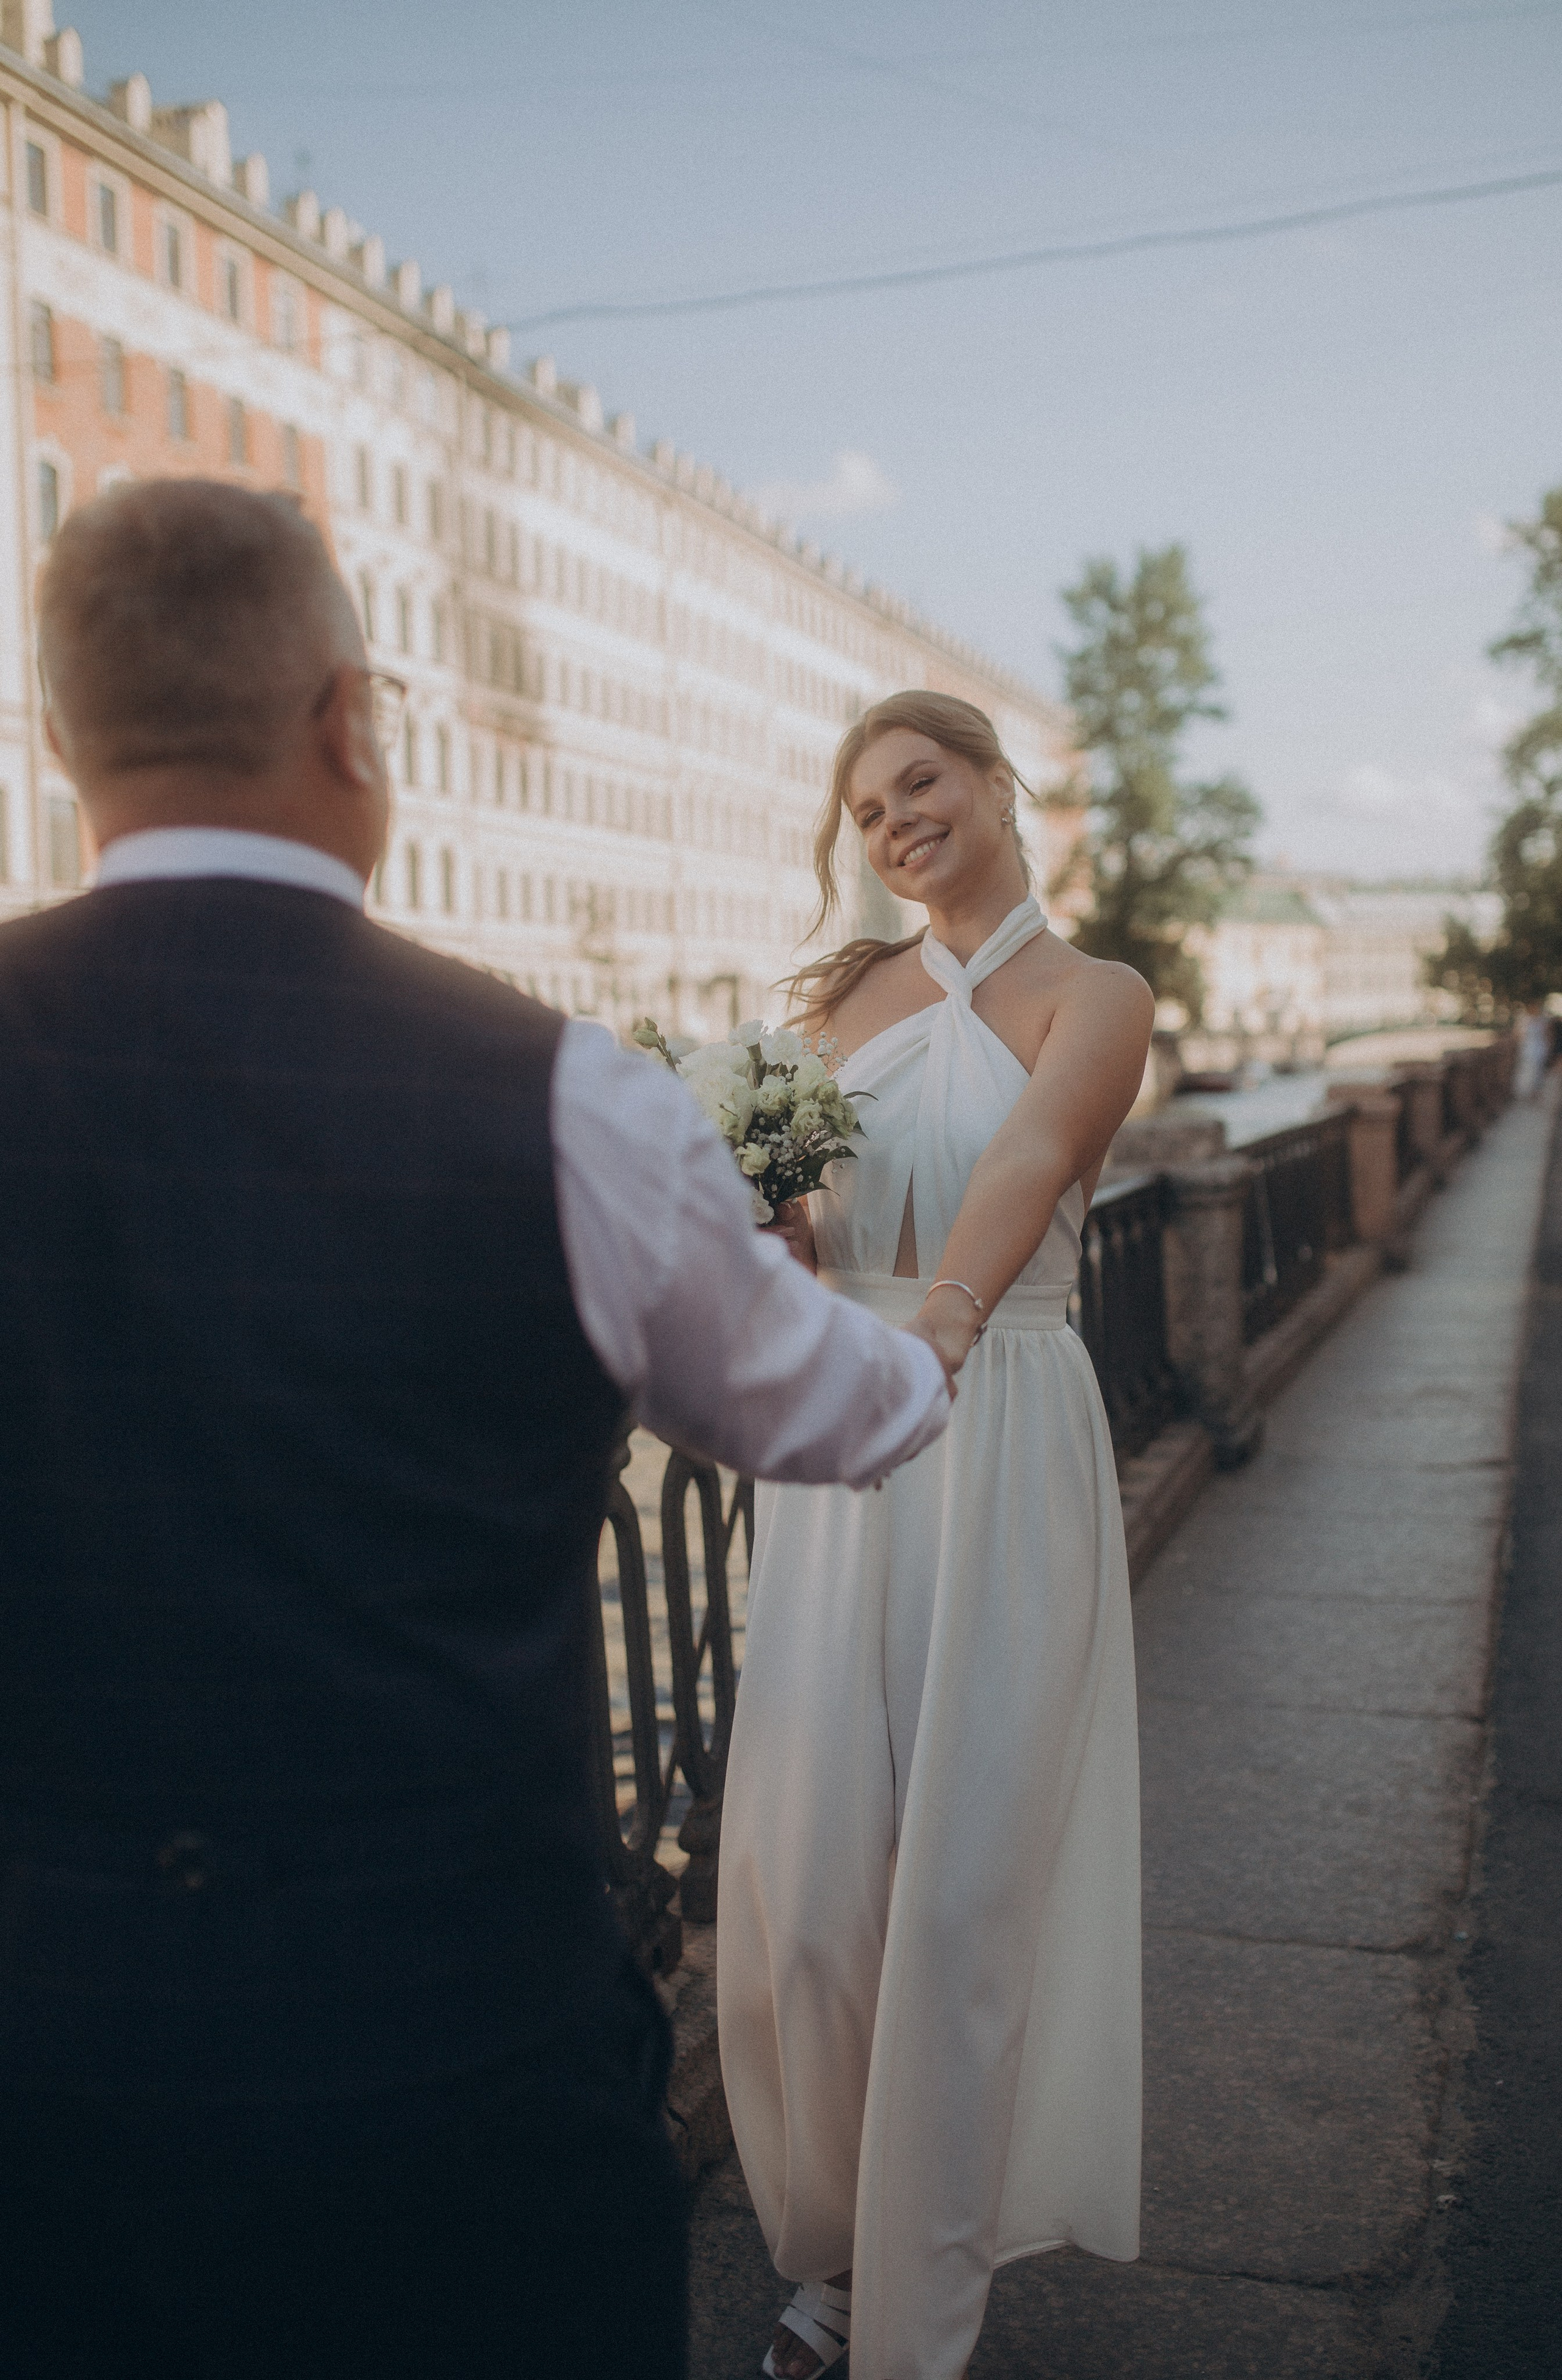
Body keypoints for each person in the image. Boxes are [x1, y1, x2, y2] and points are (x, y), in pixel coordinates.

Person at [0, 480, 954, 2380]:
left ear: (60, 741)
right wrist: (911, 1334)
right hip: (451, 2047)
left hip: (49, 2050)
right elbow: (834, 1412)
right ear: (351, 721)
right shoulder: (561, 1099)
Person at [718, 692, 1153, 2380]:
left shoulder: (1094, 995)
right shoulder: (837, 1010)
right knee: (811, 1879)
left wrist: (942, 1334)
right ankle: (827, 2237)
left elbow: (1036, 1160)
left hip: (998, 1412)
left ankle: (914, 2314)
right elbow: (801, 1248)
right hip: (842, 1445)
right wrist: (762, 1228)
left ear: (991, 787)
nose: (898, 820)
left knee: (965, 1885)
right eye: (869, 806)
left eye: (924, 783)